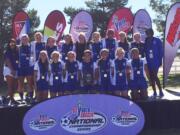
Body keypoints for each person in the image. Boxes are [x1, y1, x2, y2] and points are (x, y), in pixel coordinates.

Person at [144, 28, 164, 97]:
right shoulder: (146, 41)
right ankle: (155, 92)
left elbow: (161, 51)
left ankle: (161, 91)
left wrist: (160, 61)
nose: (148, 34)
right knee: (151, 77)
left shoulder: (157, 40)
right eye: (147, 33)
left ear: (152, 33)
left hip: (156, 61)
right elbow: (144, 51)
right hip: (148, 62)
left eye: (149, 33)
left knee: (155, 76)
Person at [17, 34, 34, 102]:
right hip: (20, 68)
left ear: (28, 39)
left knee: (30, 83)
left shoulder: (31, 46)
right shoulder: (18, 47)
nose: (25, 40)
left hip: (29, 67)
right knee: (21, 84)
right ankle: (21, 98)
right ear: (21, 40)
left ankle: (30, 98)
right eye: (23, 39)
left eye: (26, 38)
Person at [3, 38, 19, 105]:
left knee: (15, 86)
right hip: (9, 70)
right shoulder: (7, 51)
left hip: (15, 70)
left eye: (13, 42)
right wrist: (12, 70)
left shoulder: (16, 51)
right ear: (9, 44)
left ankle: (5, 97)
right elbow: (8, 61)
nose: (12, 43)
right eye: (11, 42)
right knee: (10, 86)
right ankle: (12, 100)